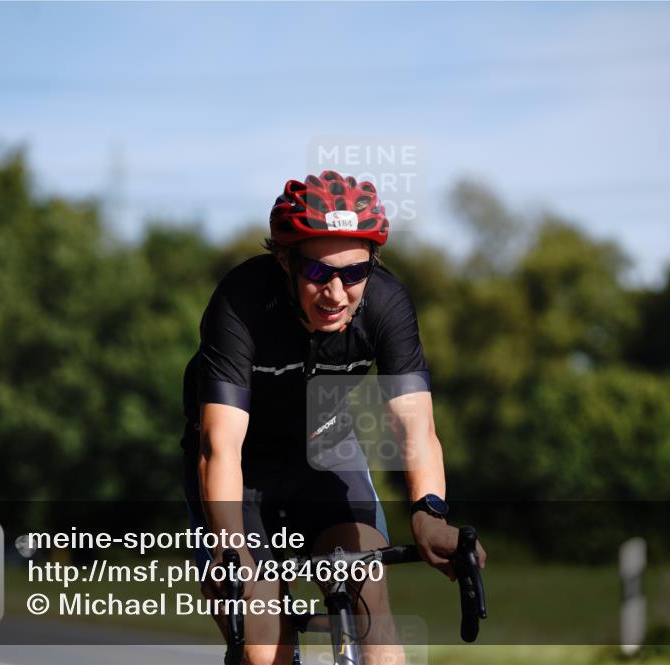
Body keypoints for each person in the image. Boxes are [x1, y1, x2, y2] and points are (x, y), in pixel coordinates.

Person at [181, 170, 485, 664]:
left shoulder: (386, 304)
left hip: (324, 447)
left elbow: (416, 427)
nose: (337, 293)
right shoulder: (241, 302)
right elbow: (221, 445)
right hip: (240, 468)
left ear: (373, 266)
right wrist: (230, 547)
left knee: (370, 599)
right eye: (318, 273)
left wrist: (429, 513)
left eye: (355, 273)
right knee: (263, 645)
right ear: (284, 261)